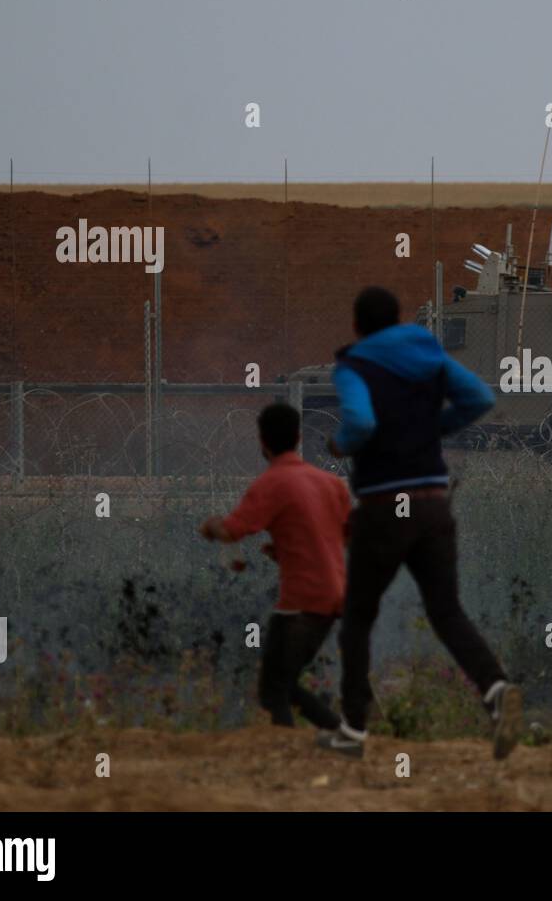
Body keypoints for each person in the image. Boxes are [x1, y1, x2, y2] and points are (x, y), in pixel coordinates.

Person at [320, 286, 521, 760]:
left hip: (385, 504)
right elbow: (478, 398)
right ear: (398, 319)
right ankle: (496, 689)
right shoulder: (429, 354)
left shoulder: (355, 367)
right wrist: (434, 429)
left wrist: (340, 445)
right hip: (433, 503)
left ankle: (353, 729)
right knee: (446, 611)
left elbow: (361, 424)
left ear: (358, 325)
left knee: (357, 617)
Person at [199, 403, 352, 732]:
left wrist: (211, 527)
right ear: (298, 438)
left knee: (273, 689)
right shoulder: (331, 484)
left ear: (262, 441)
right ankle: (338, 736)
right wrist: (285, 551)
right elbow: (343, 538)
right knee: (283, 683)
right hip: (335, 596)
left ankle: (331, 737)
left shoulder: (273, 483)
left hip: (301, 601)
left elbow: (231, 531)